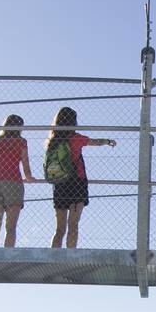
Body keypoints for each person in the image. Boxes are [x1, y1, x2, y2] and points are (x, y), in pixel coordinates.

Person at [42, 106, 115, 248]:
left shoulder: (52, 142)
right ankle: (70, 255)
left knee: (59, 229)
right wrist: (107, 141)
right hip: (77, 182)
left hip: (60, 183)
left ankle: (54, 256)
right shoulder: (76, 138)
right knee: (73, 225)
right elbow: (95, 142)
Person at [0, 114, 36, 248]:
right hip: (13, 182)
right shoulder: (21, 142)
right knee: (11, 226)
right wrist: (30, 178)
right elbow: (25, 164)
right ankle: (7, 254)